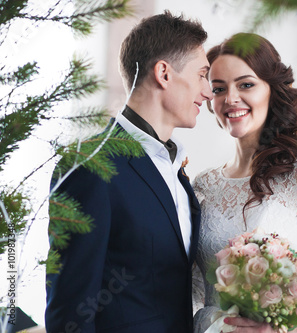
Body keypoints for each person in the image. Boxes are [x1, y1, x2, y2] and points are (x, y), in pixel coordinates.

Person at [45, 11, 212, 332]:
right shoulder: (90, 164)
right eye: (202, 75)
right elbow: (70, 312)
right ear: (164, 73)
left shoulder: (177, 170)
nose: (207, 91)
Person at [192, 33, 297, 333]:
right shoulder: (203, 185)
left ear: (272, 90)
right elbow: (193, 290)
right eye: (219, 88)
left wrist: (280, 327)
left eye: (245, 84)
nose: (231, 98)